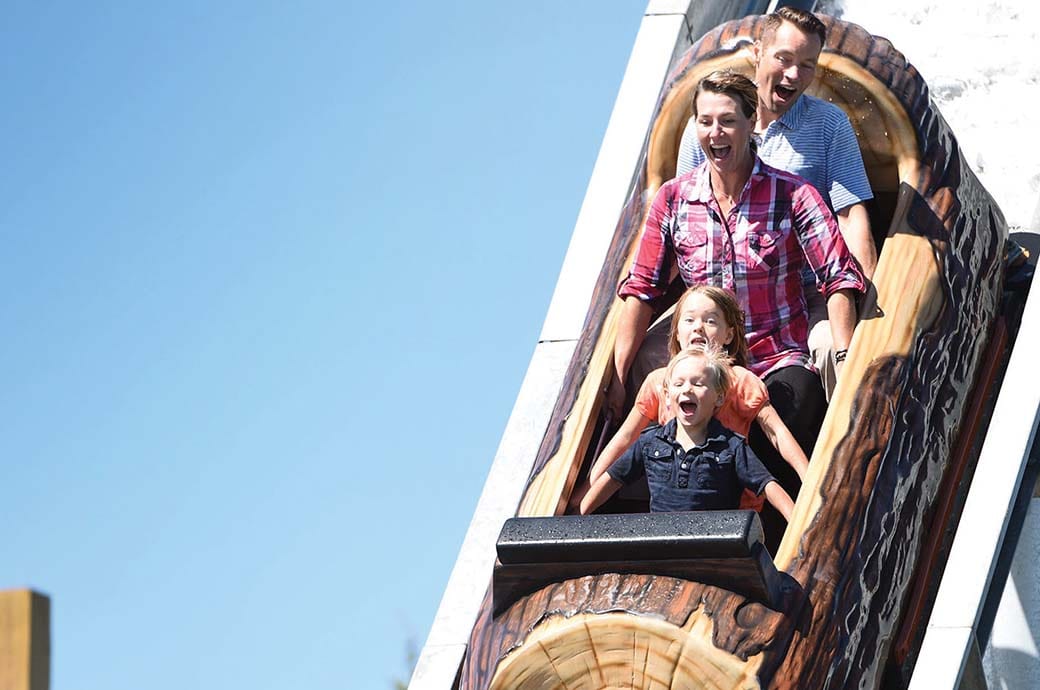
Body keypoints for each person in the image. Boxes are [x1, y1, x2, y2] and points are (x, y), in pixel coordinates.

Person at [609, 70, 865, 506]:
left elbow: (838, 275)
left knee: (792, 402)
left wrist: (846, 355)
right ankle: (658, 506)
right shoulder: (673, 199)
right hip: (699, 364)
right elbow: (643, 289)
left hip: (771, 354)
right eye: (705, 122)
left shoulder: (793, 193)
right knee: (655, 389)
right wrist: (615, 382)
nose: (715, 133)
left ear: (752, 123)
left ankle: (778, 515)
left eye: (727, 121)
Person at [675, 7, 876, 399]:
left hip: (803, 294)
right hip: (721, 303)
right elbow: (681, 214)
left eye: (806, 64)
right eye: (784, 59)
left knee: (831, 348)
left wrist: (867, 302)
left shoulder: (827, 125)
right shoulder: (710, 127)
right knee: (661, 361)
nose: (794, 75)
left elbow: (851, 217)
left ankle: (842, 448)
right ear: (757, 54)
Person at [583, 285, 808, 503]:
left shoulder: (739, 381)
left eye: (710, 321)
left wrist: (807, 476)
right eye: (689, 320)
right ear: (678, 333)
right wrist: (587, 488)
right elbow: (624, 439)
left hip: (734, 509)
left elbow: (777, 433)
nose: (698, 327)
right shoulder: (658, 382)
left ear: (729, 335)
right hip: (676, 506)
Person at [580, 347, 794, 519]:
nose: (687, 389)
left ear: (718, 398)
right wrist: (581, 513)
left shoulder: (731, 446)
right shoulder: (651, 443)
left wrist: (794, 519)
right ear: (666, 396)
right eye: (679, 383)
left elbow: (766, 484)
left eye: (698, 383)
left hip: (714, 545)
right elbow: (614, 477)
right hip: (663, 541)